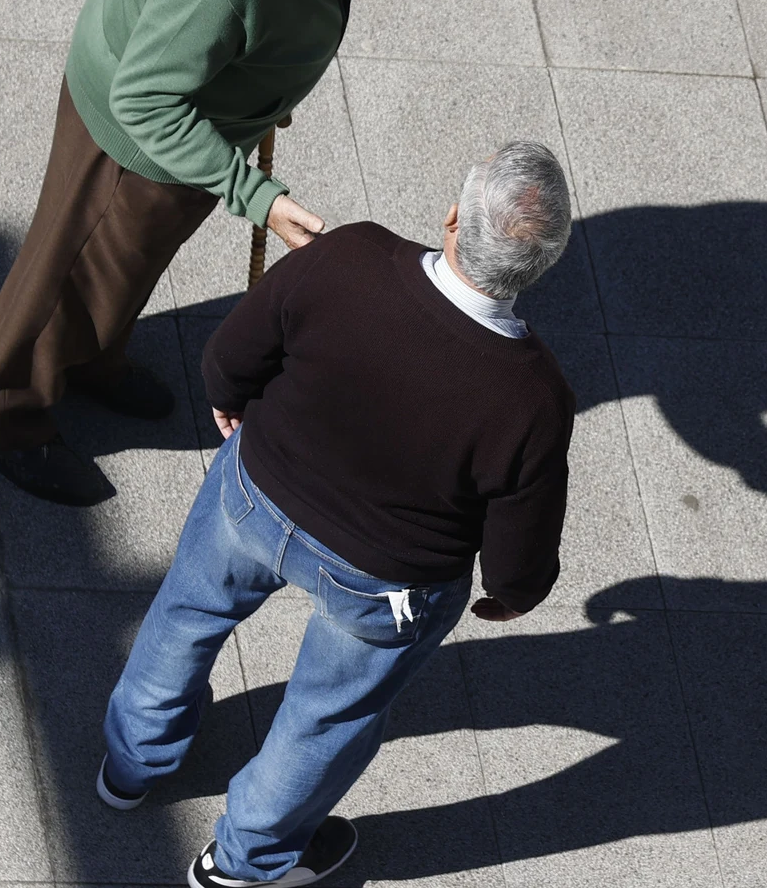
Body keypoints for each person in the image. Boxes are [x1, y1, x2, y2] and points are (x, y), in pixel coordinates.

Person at [96, 143, 577, 888]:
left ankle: (132, 760)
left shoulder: (352, 256)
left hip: (256, 492)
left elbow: (231, 355)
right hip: (384, 580)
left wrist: (232, 396)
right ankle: (243, 863)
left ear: (452, 218)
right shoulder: (535, 398)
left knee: (186, 614)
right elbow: (521, 541)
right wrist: (510, 593)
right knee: (323, 718)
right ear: (539, 268)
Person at [0, 0, 454, 506]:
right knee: (69, 269)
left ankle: (92, 357)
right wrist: (257, 195)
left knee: (121, 270)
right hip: (136, 138)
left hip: (196, 91)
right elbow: (145, 100)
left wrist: (269, 78)